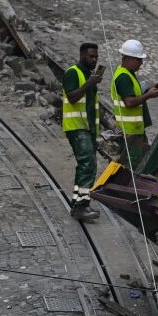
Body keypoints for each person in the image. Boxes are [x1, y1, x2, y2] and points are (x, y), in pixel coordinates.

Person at [62, 42, 103, 222]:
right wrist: (89, 83)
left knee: (87, 165)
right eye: (90, 56)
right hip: (77, 127)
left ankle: (79, 202)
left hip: (87, 127)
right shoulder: (73, 73)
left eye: (96, 57)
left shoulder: (89, 76)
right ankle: (80, 207)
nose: (94, 60)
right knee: (88, 164)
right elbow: (72, 97)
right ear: (82, 55)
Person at [110, 39, 158, 169]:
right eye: (138, 60)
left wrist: (147, 91)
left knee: (142, 161)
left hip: (135, 130)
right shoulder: (123, 77)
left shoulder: (128, 74)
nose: (141, 63)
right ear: (128, 59)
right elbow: (129, 102)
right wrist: (148, 95)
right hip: (130, 132)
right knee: (132, 167)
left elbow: (133, 95)